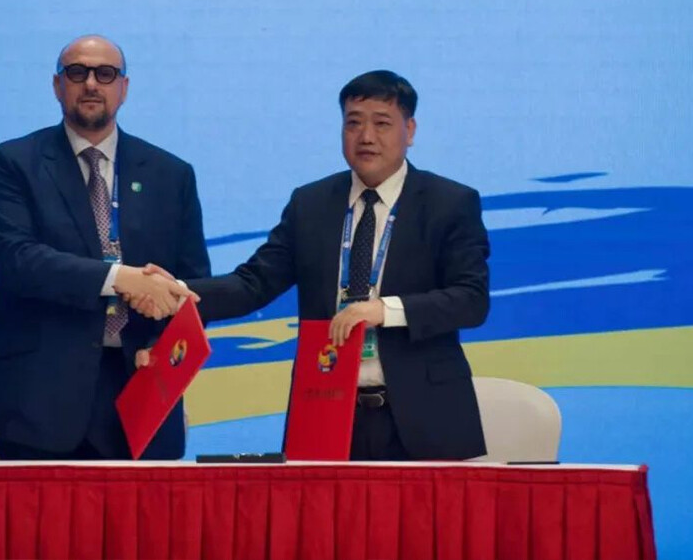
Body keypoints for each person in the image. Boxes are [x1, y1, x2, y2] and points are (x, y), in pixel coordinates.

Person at [140, 70, 489, 460]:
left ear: (409, 130)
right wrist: (180, 291)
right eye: (353, 123)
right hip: (325, 407)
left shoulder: (449, 203)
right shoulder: (311, 204)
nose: (366, 136)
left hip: (425, 418)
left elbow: (471, 299)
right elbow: (253, 283)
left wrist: (384, 310)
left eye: (382, 123)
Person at [0, 34, 210, 460]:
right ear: (58, 85)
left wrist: (164, 345)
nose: (91, 83)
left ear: (124, 88)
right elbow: (15, 258)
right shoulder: (12, 163)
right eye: (77, 73)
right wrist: (119, 278)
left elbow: (191, 282)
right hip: (39, 398)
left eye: (105, 74)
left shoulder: (171, 174)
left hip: (140, 391)